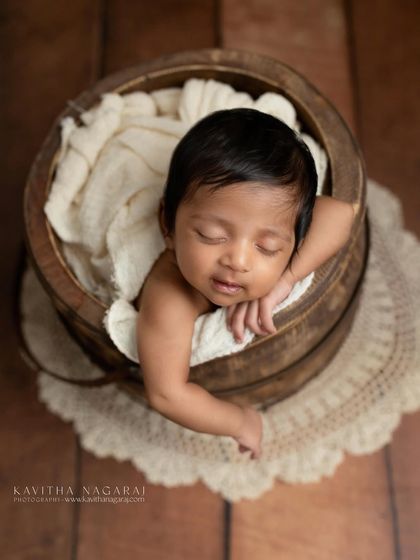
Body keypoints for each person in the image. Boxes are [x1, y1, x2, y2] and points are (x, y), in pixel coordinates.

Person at [135, 108, 356, 460]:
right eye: (211, 235)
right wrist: (240, 422)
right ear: (167, 224)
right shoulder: (169, 294)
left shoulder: (281, 227)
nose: (238, 262)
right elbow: (166, 394)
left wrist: (285, 280)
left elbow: (342, 214)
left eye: (266, 247)